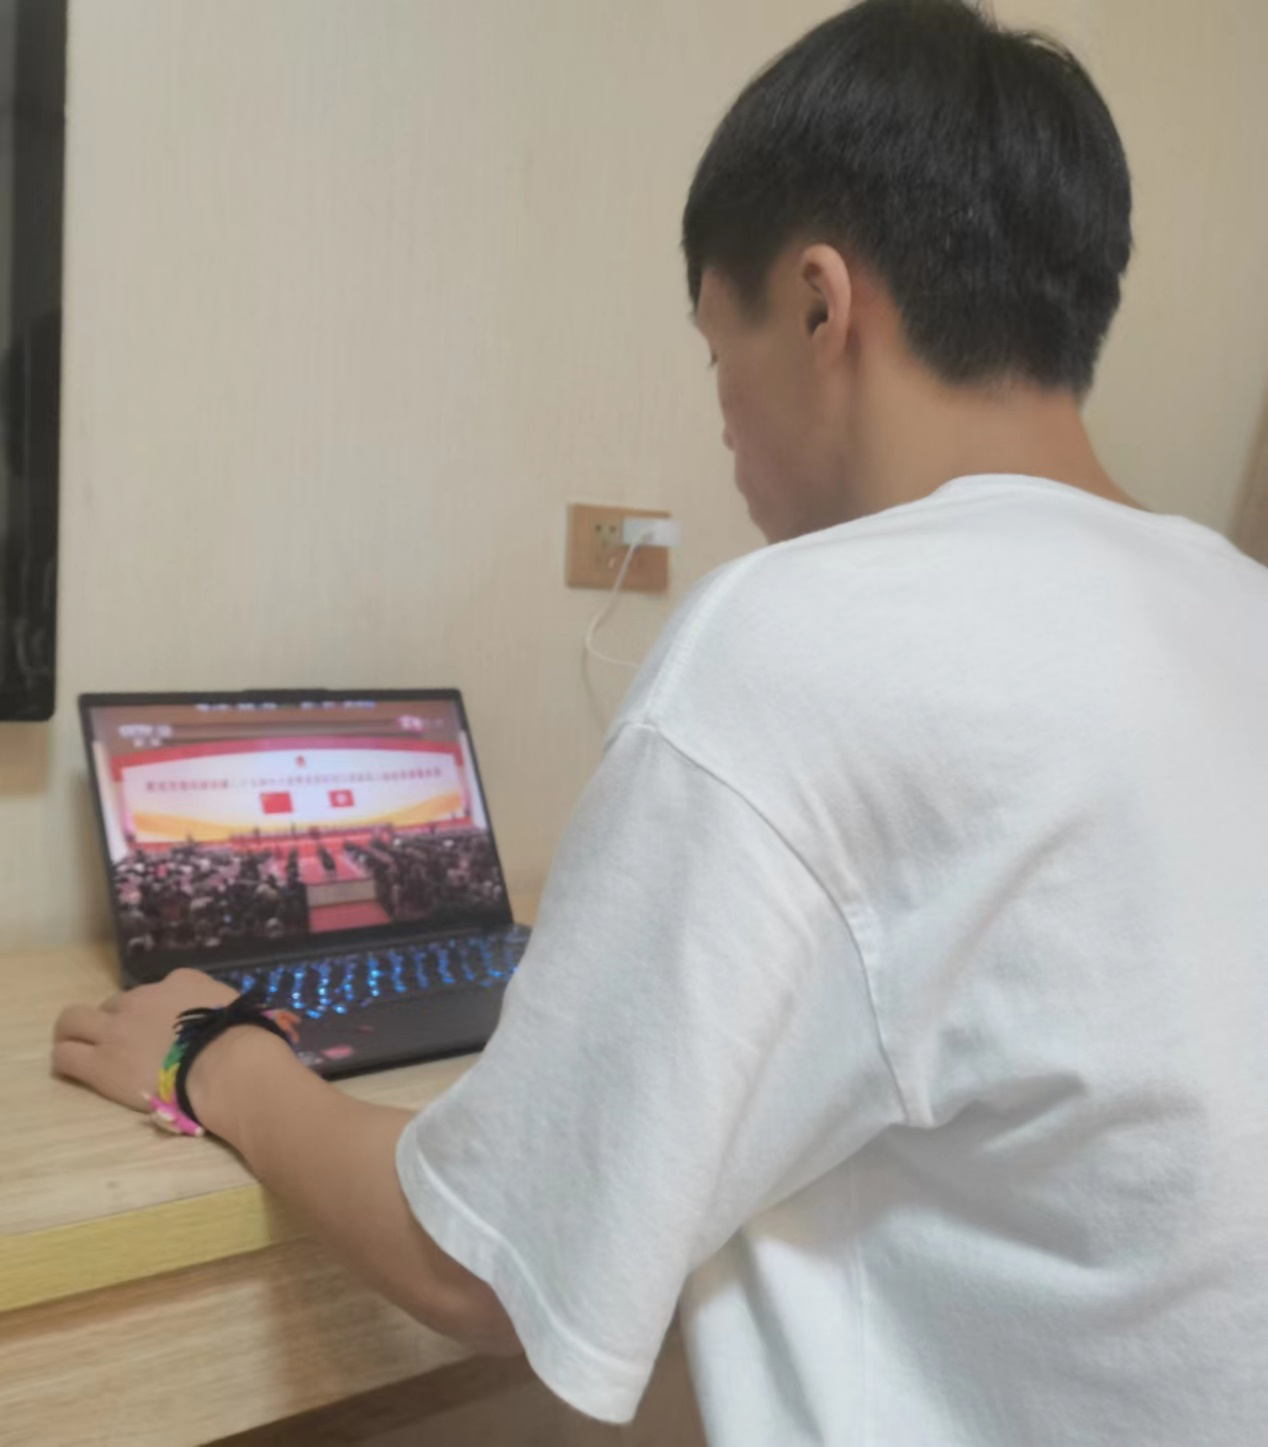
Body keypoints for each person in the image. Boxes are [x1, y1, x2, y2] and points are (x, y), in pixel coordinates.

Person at [51, 3, 1268, 1443]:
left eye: (714, 351)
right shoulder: (1233, 604)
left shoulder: (804, 634)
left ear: (818, 305)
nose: (726, 423)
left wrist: (215, 1051)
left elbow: (475, 1264)